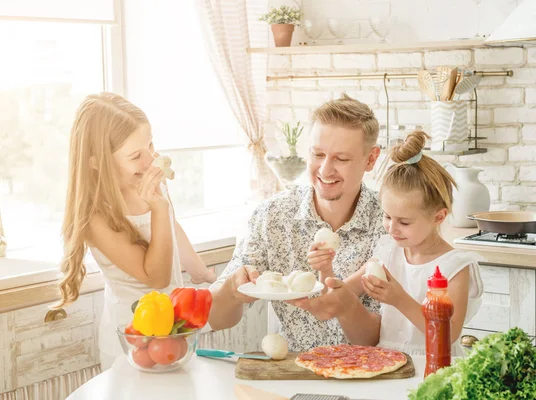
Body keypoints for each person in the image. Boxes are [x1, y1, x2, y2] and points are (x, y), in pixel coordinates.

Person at [208, 94, 386, 351]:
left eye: (341, 159)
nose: (325, 170)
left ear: (371, 159)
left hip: (372, 377)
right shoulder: (273, 216)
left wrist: (344, 304)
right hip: (292, 375)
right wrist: (231, 292)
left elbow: (383, 338)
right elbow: (217, 319)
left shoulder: (390, 224)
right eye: (318, 154)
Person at [55, 92, 216, 371]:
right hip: (132, 341)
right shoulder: (95, 216)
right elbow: (157, 277)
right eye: (135, 156)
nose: (150, 159)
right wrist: (158, 208)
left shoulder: (149, 184)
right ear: (96, 162)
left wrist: (201, 273)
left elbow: (171, 229)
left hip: (174, 328)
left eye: (150, 144)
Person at [290, 130, 484, 356]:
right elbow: (342, 294)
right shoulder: (387, 252)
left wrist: (398, 299)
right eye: (387, 216)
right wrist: (325, 269)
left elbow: (447, 335)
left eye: (404, 221)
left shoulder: (455, 267)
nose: (392, 228)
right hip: (387, 362)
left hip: (436, 367)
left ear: (438, 217)